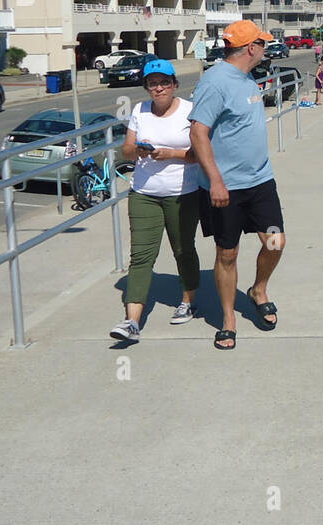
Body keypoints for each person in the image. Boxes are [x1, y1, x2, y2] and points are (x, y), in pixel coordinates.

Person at [189, 21, 286, 350]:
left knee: (275, 242)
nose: (265, 48)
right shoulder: (215, 82)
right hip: (225, 188)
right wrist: (215, 180)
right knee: (227, 254)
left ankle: (258, 289)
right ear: (250, 48)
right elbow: (198, 132)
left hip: (260, 181)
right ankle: (228, 319)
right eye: (263, 43)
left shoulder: (246, 77)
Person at [109, 60, 200, 341]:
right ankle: (131, 322)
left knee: (183, 250)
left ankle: (188, 300)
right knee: (141, 257)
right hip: (144, 193)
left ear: (174, 84)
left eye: (163, 82)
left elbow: (199, 154)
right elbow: (125, 150)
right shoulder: (140, 110)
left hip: (182, 193)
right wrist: (138, 150)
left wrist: (169, 154)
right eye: (152, 83)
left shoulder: (190, 111)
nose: (158, 88)